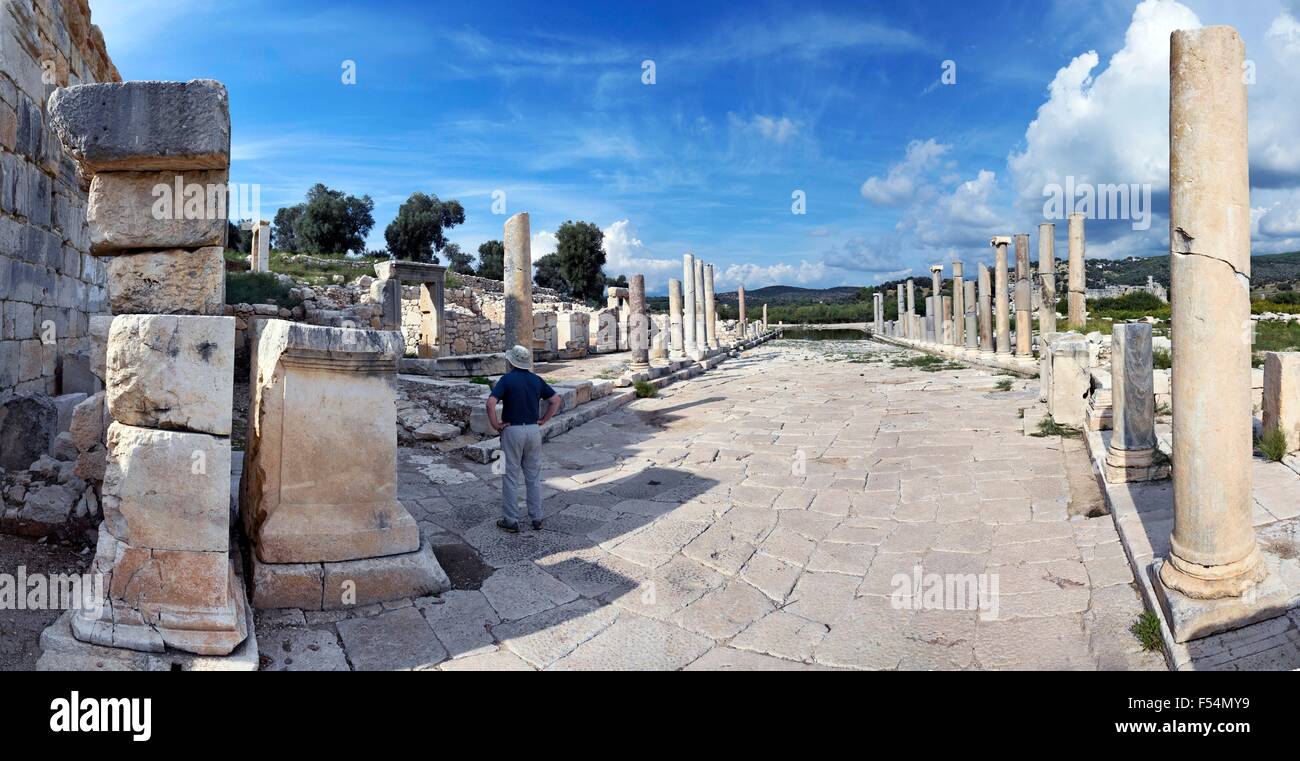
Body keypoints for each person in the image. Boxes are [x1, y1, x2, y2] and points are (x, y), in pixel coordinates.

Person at [487, 344, 561, 533]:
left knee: (510, 476)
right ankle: (537, 518)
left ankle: (511, 520)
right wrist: (544, 419)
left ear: (511, 361)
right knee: (533, 477)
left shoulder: (507, 379)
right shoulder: (536, 380)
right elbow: (555, 400)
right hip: (533, 430)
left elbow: (490, 402)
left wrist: (496, 425)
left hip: (512, 431)